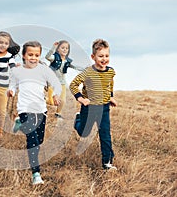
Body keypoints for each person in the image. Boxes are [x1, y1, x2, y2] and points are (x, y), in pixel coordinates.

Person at [7, 41, 61, 185]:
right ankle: (36, 173)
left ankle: (20, 123)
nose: (33, 57)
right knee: (33, 141)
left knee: (40, 140)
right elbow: (12, 83)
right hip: (25, 109)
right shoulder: (18, 71)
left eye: (36, 55)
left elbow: (54, 83)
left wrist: (55, 95)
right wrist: (11, 90)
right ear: (24, 55)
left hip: (41, 110)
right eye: (30, 54)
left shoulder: (43, 71)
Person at [69, 39, 117, 170]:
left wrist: (110, 97)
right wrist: (81, 99)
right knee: (84, 133)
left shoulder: (110, 71)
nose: (104, 59)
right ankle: (77, 120)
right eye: (100, 56)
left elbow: (109, 84)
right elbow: (73, 85)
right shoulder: (88, 72)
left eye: (106, 56)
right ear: (93, 57)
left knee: (105, 134)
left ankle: (107, 162)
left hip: (104, 108)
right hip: (88, 108)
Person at [45, 40, 82, 118]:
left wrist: (86, 69)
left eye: (67, 48)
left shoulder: (67, 61)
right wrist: (53, 47)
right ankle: (43, 99)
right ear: (58, 49)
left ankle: (57, 113)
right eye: (63, 48)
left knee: (63, 101)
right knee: (52, 102)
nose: (65, 49)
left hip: (62, 83)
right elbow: (47, 57)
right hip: (52, 82)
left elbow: (75, 67)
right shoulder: (54, 57)